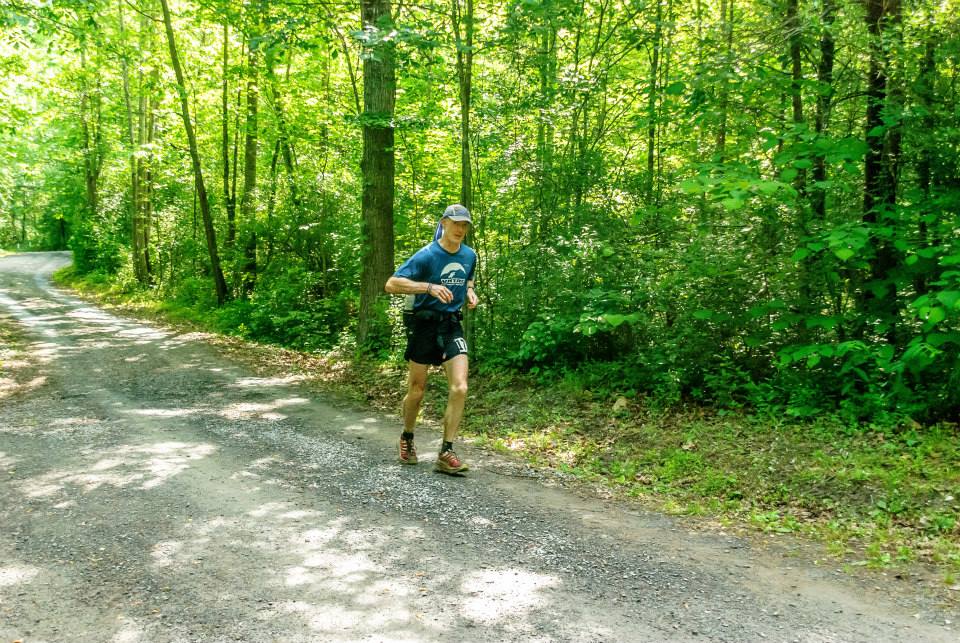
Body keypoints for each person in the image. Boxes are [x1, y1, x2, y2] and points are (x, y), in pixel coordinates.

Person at [384, 204, 478, 475]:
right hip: (423, 324)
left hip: (451, 326)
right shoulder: (426, 255)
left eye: (465, 225)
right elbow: (391, 284)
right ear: (444, 223)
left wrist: (470, 293)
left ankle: (446, 451)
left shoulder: (470, 255)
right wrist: (428, 287)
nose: (460, 229)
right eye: (456, 223)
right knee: (417, 391)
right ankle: (408, 436)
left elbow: (468, 280)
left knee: (460, 387)